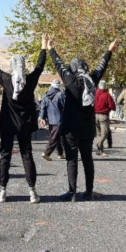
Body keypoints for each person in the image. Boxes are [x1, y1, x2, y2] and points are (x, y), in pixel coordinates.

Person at [47, 35, 119, 202]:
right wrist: (109, 50)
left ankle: (72, 193)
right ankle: (89, 192)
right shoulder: (92, 80)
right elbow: (102, 66)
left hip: (70, 130)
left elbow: (59, 65)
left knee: (72, 160)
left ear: (73, 69)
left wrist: (50, 48)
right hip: (87, 129)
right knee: (88, 160)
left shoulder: (70, 80)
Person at [0, 34, 47, 203]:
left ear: (12, 66)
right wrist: (43, 47)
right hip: (24, 126)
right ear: (24, 66)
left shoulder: (6, 80)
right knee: (27, 156)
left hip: (7, 125)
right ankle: (33, 192)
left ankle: (3, 191)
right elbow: (40, 67)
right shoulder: (30, 81)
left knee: (5, 156)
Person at [39, 79, 66, 161]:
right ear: (58, 86)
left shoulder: (45, 95)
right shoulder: (60, 94)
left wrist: (42, 118)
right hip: (59, 119)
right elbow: (65, 107)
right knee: (54, 138)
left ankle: (60, 154)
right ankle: (46, 153)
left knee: (57, 137)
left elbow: (43, 108)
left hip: (50, 120)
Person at [94, 80, 116, 157]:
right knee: (105, 133)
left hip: (95, 115)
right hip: (103, 115)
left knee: (99, 134)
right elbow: (112, 106)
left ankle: (100, 150)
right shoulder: (107, 95)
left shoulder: (94, 93)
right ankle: (99, 145)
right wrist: (109, 110)